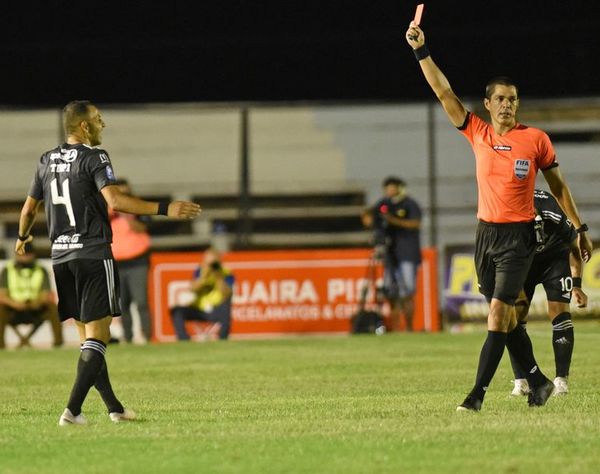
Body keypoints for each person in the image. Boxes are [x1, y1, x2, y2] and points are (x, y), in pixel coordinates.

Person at [405, 22, 593, 411]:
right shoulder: (476, 131)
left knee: (497, 315)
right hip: (484, 237)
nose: (507, 104)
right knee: (506, 321)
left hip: (518, 239)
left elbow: (558, 187)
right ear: (487, 104)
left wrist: (580, 227)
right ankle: (538, 381)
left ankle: (476, 396)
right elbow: (443, 91)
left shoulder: (536, 139)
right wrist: (421, 51)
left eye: (513, 99)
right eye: (501, 99)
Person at [16, 100, 201, 426]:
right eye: (99, 119)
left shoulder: (45, 160)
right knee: (98, 338)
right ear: (84, 126)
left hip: (61, 257)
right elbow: (115, 200)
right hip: (92, 253)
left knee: (89, 339)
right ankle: (72, 411)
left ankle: (114, 407)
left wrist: (22, 237)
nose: (103, 124)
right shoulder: (94, 157)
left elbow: (29, 209)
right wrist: (164, 208)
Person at [510, 189, 587, 397]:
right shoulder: (504, 208)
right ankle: (522, 381)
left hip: (554, 259)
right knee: (514, 319)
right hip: (523, 262)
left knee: (560, 313)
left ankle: (561, 380)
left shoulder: (551, 209)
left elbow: (575, 246)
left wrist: (577, 284)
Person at [361, 176, 422, 331]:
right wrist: (373, 223)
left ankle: (409, 327)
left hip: (407, 253)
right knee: (390, 291)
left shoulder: (409, 204)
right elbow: (369, 215)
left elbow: (415, 223)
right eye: (387, 188)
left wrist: (392, 220)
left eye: (392, 187)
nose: (389, 191)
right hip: (391, 254)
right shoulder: (384, 204)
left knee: (407, 291)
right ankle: (396, 328)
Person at [109, 178, 153, 343]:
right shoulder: (107, 209)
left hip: (137, 261)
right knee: (122, 304)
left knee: (141, 301)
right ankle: (127, 338)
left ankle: (148, 337)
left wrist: (127, 213)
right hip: (116, 262)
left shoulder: (139, 206)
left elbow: (143, 228)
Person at [0, 247, 63, 349]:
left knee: (53, 307)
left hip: (36, 309)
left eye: (27, 254)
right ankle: (1, 347)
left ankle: (58, 344)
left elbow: (46, 294)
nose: (24, 257)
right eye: (21, 254)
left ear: (33, 255)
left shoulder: (41, 269)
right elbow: (2, 295)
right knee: (1, 309)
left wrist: (36, 303)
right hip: (13, 310)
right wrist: (15, 304)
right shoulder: (7, 269)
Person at [170, 248, 234, 341]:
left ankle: (223, 338)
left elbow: (227, 293)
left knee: (226, 307)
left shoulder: (225, 273)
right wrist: (203, 278)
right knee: (177, 311)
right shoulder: (199, 272)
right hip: (199, 309)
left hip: (217, 309)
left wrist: (218, 277)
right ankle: (183, 339)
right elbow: (193, 289)